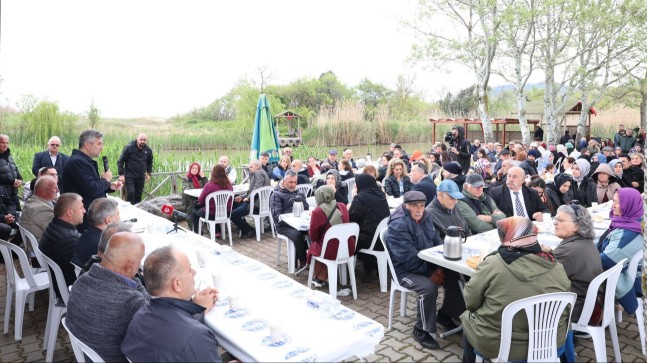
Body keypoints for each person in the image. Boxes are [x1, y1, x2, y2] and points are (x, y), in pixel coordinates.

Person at [460, 217, 571, 362]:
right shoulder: (555, 264)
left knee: (467, 317)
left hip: (504, 347)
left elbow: (470, 302)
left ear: (503, 239)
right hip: (550, 344)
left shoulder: (492, 263)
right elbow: (566, 305)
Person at [121, 246, 221, 362]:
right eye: (189, 270)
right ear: (177, 284)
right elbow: (185, 336)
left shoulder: (139, 316)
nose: (194, 272)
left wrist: (197, 307)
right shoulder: (196, 336)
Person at [66, 232, 148, 362]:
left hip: (88, 355)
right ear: (130, 266)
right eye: (140, 260)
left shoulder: (82, 279)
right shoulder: (129, 300)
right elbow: (155, 328)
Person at [386, 191, 443, 350]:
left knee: (455, 273)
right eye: (414, 206)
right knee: (429, 288)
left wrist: (440, 267)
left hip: (425, 264)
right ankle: (421, 330)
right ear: (405, 206)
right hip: (404, 271)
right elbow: (408, 259)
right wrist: (431, 274)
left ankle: (447, 314)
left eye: (422, 205)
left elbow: (437, 241)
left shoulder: (426, 216)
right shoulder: (398, 224)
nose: (419, 210)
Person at [425, 179, 470, 330]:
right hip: (442, 259)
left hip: (463, 251)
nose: (455, 201)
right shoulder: (430, 213)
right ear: (440, 195)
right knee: (459, 277)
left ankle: (464, 309)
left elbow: (466, 228)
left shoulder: (453, 207)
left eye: (456, 198)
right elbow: (435, 243)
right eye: (451, 197)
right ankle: (446, 314)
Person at [547, 204, 603, 323]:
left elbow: (543, 276)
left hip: (577, 309)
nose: (555, 223)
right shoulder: (586, 241)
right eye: (555, 219)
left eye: (560, 220)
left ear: (576, 226)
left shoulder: (568, 251)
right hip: (589, 302)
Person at [62, 130, 123, 232]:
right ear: (87, 145)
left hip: (89, 214)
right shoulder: (77, 162)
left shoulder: (84, 161)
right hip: (84, 216)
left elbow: (90, 184)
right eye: (99, 143)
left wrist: (110, 186)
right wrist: (105, 179)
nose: (101, 147)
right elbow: (91, 189)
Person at [597, 188, 644, 315]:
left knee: (581, 275)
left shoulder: (629, 233)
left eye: (617, 202)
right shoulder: (635, 221)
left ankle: (592, 317)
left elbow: (605, 260)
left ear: (628, 205)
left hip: (637, 281)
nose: (612, 205)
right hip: (638, 273)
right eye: (613, 201)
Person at [39, 193, 85, 297]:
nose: (84, 211)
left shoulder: (53, 226)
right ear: (69, 212)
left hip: (58, 283)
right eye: (81, 208)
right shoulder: (69, 238)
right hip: (68, 289)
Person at [349, 173, 390, 283]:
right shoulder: (380, 194)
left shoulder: (361, 198)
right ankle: (372, 265)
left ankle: (347, 274)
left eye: (356, 184)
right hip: (384, 237)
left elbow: (351, 217)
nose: (356, 186)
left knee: (348, 240)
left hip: (370, 239)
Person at [307, 186, 351, 287]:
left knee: (314, 244)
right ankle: (321, 277)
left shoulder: (318, 211)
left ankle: (320, 277)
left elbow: (313, 235)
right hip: (347, 247)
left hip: (331, 250)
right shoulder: (342, 206)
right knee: (324, 242)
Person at [270, 171, 309, 268]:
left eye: (295, 182)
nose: (293, 185)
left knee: (313, 232)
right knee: (297, 235)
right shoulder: (276, 194)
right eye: (290, 182)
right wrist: (291, 220)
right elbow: (276, 215)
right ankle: (303, 259)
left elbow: (306, 208)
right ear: (284, 181)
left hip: (299, 223)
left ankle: (298, 257)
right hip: (283, 225)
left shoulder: (299, 192)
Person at [71, 198, 120, 267]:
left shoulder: (85, 235)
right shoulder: (104, 246)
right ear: (108, 220)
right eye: (118, 215)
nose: (119, 219)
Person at [230, 159, 271, 239]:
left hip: (256, 206)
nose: (249, 168)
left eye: (251, 166)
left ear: (257, 166)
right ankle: (244, 229)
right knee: (237, 205)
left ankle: (249, 230)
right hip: (261, 205)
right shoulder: (261, 172)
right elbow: (253, 191)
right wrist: (242, 197)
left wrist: (248, 198)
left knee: (232, 214)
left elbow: (257, 188)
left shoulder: (258, 173)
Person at [191, 165, 233, 234]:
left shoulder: (209, 185)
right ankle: (217, 231)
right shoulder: (229, 185)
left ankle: (198, 235)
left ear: (213, 173)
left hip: (211, 214)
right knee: (212, 207)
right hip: (226, 213)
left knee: (194, 213)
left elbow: (201, 200)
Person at [117, 133, 153, 205]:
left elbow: (150, 162)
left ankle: (137, 210)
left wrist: (149, 173)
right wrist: (121, 174)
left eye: (144, 140)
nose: (142, 141)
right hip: (130, 176)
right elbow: (120, 161)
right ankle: (129, 210)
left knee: (138, 195)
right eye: (141, 139)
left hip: (141, 176)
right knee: (131, 194)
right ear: (137, 139)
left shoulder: (148, 150)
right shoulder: (129, 147)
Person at [19, 175, 58, 242]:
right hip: (40, 248)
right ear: (44, 191)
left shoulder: (32, 201)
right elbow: (57, 231)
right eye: (55, 188)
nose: (58, 190)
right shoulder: (42, 209)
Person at [181, 162, 208, 231]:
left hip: (199, 199)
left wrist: (203, 177)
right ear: (190, 169)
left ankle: (199, 229)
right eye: (193, 168)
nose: (194, 169)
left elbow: (207, 187)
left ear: (199, 170)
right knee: (190, 215)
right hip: (189, 199)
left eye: (196, 168)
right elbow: (185, 189)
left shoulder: (201, 178)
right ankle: (192, 229)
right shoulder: (186, 178)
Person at [0, 134, 23, 214]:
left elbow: (16, 172)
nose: (5, 145)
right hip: (2, 196)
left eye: (7, 143)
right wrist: (12, 181)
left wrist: (19, 181)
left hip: (13, 193)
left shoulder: (9, 157)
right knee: (7, 218)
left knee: (18, 215)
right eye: (3, 143)